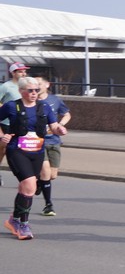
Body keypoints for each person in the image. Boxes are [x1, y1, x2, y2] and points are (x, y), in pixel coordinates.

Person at [0, 76, 68, 240]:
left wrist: (59, 129)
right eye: (30, 90)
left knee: (25, 188)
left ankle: (14, 220)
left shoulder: (44, 107)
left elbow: (53, 126)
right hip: (17, 150)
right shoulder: (12, 106)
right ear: (21, 91)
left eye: (36, 90)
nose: (34, 93)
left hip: (37, 152)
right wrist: (2, 136)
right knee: (30, 186)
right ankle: (23, 224)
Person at [34, 78, 71, 216]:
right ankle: (48, 205)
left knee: (52, 175)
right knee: (45, 171)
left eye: (39, 84)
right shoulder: (31, 101)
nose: (36, 87)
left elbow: (66, 114)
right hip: (38, 141)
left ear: (47, 85)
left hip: (54, 140)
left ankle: (39, 183)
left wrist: (61, 125)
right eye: (34, 85)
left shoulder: (54, 100)